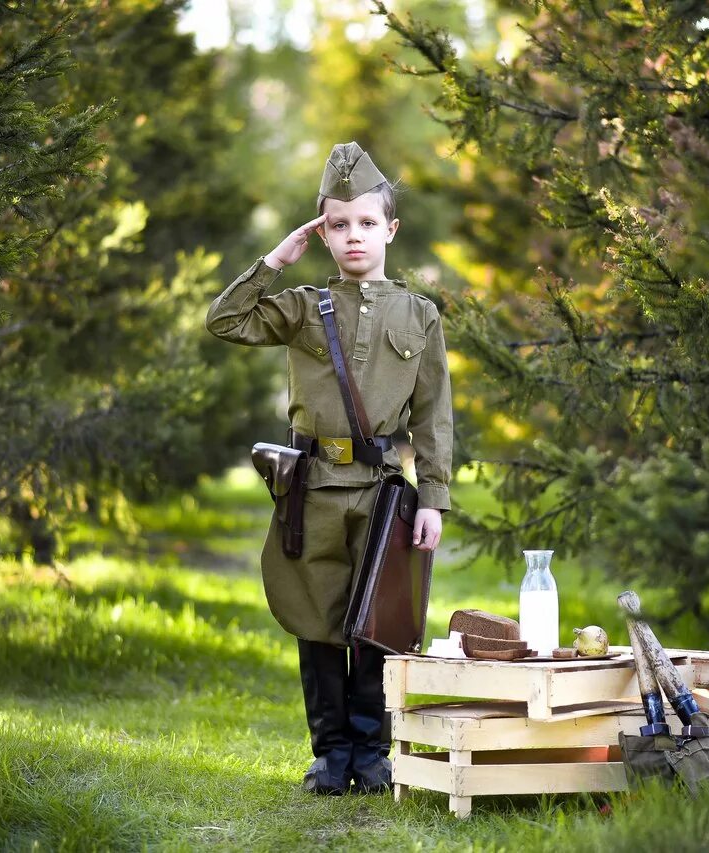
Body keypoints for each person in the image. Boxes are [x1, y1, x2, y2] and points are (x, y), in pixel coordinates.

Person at [204, 142, 454, 795]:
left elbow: (433, 416)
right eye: (337, 224)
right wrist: (273, 261)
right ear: (321, 232)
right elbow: (225, 319)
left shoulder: (419, 316)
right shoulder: (301, 305)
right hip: (310, 489)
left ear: (390, 229)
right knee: (315, 616)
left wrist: (433, 497)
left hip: (378, 492)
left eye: (366, 223)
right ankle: (330, 751)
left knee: (376, 616)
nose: (353, 236)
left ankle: (371, 752)